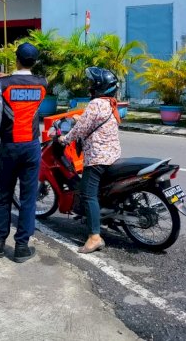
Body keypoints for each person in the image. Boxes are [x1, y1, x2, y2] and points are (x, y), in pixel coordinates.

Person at [0, 42, 47, 263]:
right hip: (32, 147)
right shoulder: (42, 84)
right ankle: (22, 246)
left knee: (4, 196)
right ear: (34, 62)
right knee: (28, 198)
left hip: (10, 146)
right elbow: (27, 83)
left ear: (16, 59)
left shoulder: (2, 84)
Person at [58, 67, 122, 254]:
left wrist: (64, 139)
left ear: (98, 86)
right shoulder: (109, 103)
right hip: (112, 154)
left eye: (91, 83)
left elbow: (80, 131)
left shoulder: (95, 104)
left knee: (87, 193)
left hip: (98, 158)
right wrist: (81, 119)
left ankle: (94, 237)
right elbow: (90, 123)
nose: (89, 86)